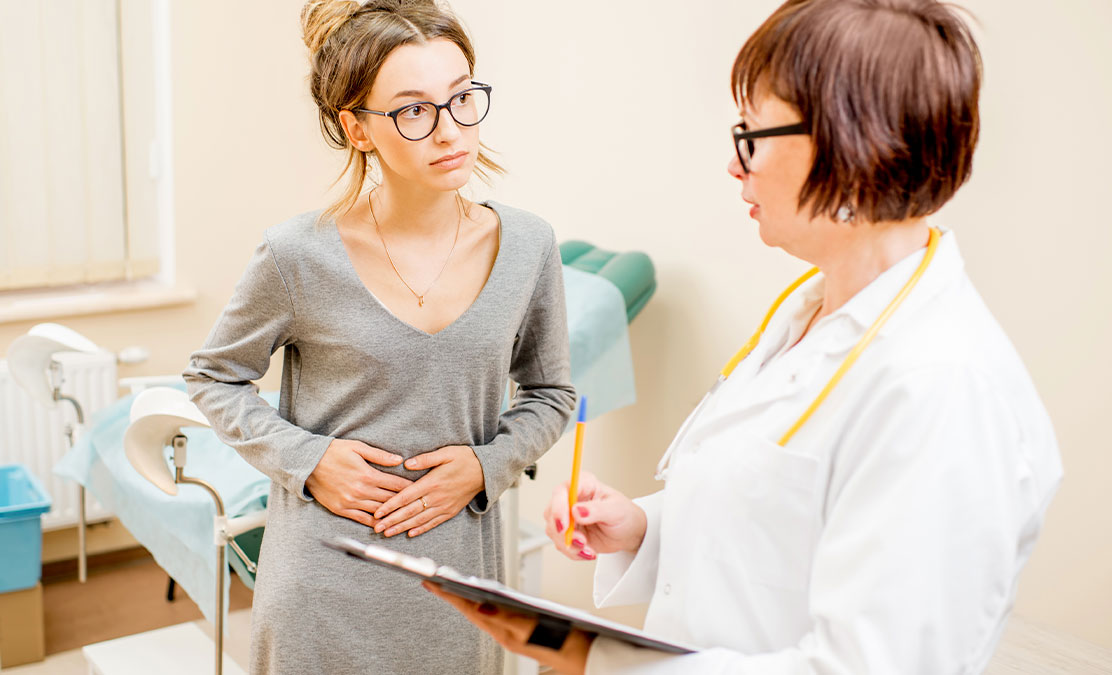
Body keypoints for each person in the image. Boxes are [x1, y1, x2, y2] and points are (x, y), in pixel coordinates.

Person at [427, 0, 1063, 672]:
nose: (736, 165)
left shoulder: (941, 386)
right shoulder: (813, 310)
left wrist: (594, 655)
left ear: (850, 140)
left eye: (751, 135)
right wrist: (647, 528)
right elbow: (784, 526)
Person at [183, 1, 575, 672]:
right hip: (320, 591)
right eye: (414, 110)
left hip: (459, 591)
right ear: (356, 128)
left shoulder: (529, 245)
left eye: (462, 98)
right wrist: (308, 459)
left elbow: (551, 392)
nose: (449, 131)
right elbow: (212, 376)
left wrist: (487, 464)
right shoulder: (295, 255)